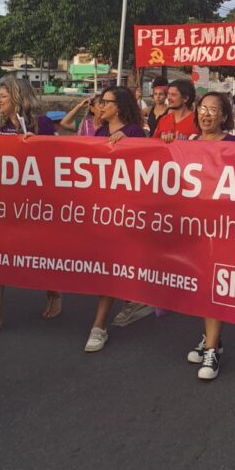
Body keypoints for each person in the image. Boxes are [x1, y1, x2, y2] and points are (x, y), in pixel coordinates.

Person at [0, 78, 59, 338]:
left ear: (18, 98)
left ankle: (54, 293)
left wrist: (37, 145)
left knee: (42, 253)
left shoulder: (39, 123)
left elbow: (56, 160)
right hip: (5, 202)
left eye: (4, 96)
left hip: (36, 202)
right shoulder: (1, 125)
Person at [84, 87, 146, 352]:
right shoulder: (99, 133)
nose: (100, 106)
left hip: (124, 211)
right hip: (102, 208)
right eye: (100, 102)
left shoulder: (134, 133)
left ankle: (98, 327)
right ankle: (133, 299)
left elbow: (144, 167)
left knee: (109, 268)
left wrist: (128, 145)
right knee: (109, 266)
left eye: (105, 102)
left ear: (118, 106)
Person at [185, 93, 235, 380]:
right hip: (193, 227)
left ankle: (213, 348)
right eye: (202, 109)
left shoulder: (234, 144)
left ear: (224, 116)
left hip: (223, 228)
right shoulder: (187, 143)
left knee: (213, 286)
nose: (206, 114)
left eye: (213, 110)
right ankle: (210, 338)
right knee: (202, 286)